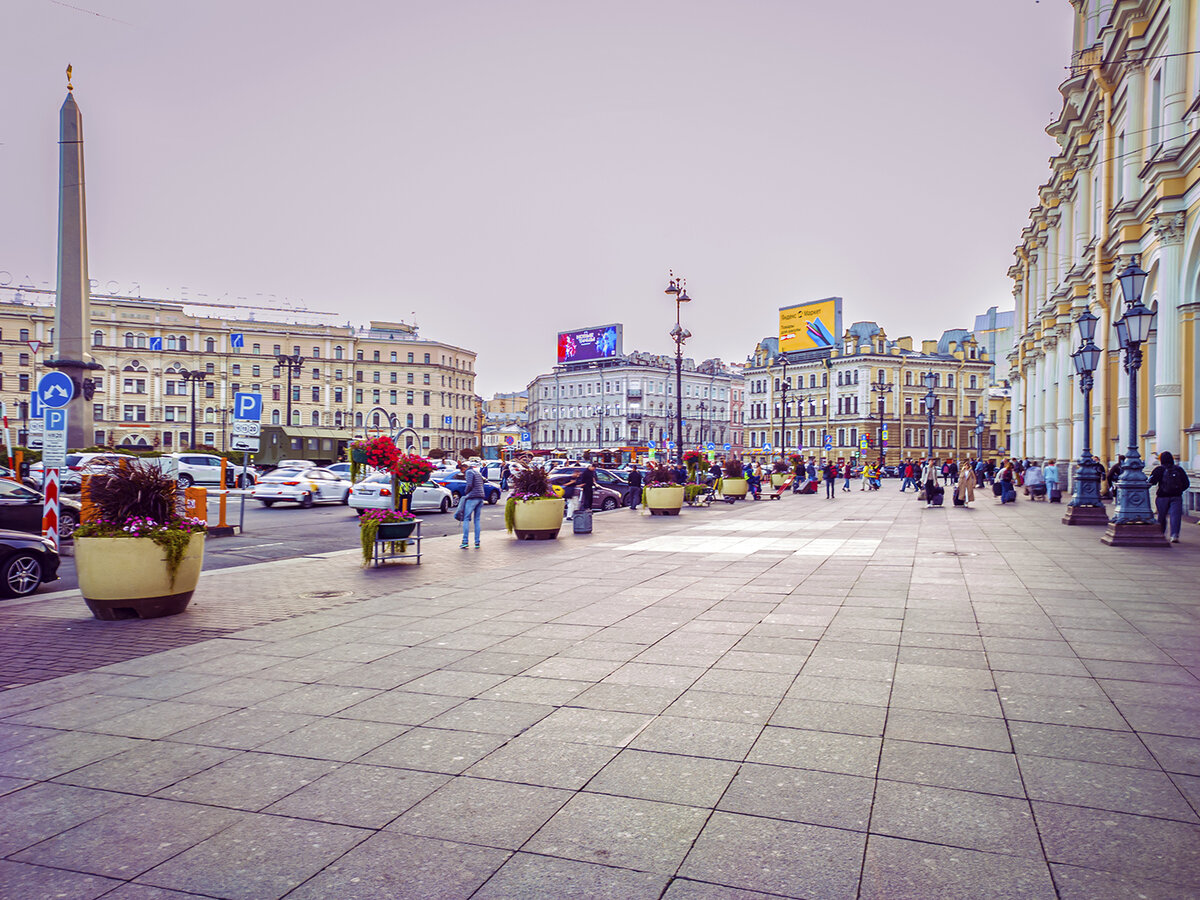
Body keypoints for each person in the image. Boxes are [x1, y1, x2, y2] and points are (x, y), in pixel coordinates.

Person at [1148, 451, 1190, 543]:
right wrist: (1179, 490)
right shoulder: (1179, 469)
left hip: (1162, 496)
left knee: (1162, 516)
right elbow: (1186, 483)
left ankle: (1161, 533)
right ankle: (1174, 535)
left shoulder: (1159, 469)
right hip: (1176, 496)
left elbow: (1151, 482)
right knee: (1175, 516)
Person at [458, 461, 486, 549]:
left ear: (464, 468)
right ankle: (477, 542)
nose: (463, 474)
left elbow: (469, 484)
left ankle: (465, 541)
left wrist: (466, 493)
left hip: (472, 497)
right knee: (477, 520)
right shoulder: (477, 472)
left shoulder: (469, 472)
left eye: (463, 472)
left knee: (466, 519)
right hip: (480, 497)